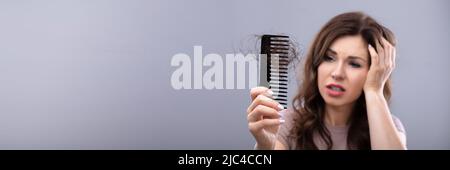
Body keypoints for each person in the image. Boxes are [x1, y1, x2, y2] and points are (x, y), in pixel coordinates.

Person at [246, 11, 407, 150]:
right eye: (329, 58)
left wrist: (374, 90)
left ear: (375, 72)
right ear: (317, 63)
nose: (337, 73)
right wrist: (265, 146)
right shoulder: (286, 124)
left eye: (354, 63)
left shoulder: (388, 127)